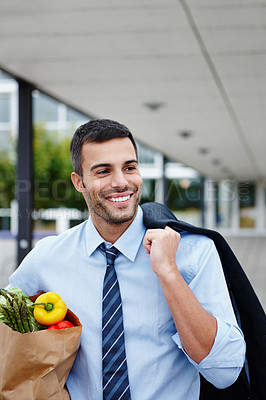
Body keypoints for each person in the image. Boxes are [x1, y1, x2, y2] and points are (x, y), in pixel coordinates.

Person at [7, 119, 245, 400]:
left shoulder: (194, 252)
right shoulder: (46, 258)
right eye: (103, 171)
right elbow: (7, 334)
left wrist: (169, 273)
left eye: (129, 167)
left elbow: (225, 372)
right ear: (79, 182)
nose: (121, 182)